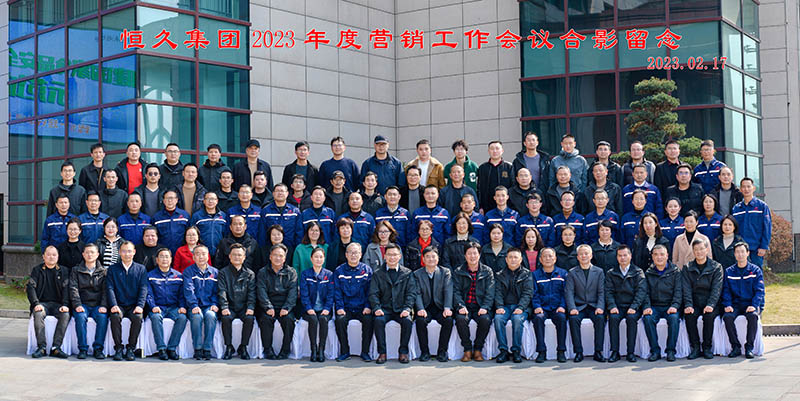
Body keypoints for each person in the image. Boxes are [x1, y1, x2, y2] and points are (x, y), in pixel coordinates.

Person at [369, 244, 417, 364]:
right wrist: (376, 308)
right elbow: (373, 293)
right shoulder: (377, 273)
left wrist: (407, 308)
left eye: (395, 255)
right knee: (378, 321)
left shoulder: (407, 273)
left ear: (400, 256)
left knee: (407, 321)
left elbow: (411, 293)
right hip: (384, 309)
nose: (392, 257)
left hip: (401, 309)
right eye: (389, 255)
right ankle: (382, 352)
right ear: (384, 256)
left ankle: (403, 352)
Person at [721, 242, 765, 359]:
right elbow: (726, 291)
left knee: (753, 316)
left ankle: (749, 347)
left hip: (749, 304)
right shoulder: (729, 271)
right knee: (727, 317)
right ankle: (735, 347)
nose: (740, 254)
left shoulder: (755, 271)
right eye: (737, 252)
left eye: (742, 252)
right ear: (734, 254)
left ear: (747, 253)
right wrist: (728, 304)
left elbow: (760, 291)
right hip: (735, 304)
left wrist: (754, 305)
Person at [453, 242, 495, 362]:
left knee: (485, 320)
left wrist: (485, 306)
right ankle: (467, 349)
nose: (472, 256)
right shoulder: (458, 271)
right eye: (469, 254)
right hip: (465, 306)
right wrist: (460, 306)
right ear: (465, 256)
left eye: (475, 253)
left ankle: (478, 349)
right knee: (460, 319)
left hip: (480, 306)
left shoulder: (487, 271)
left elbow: (490, 292)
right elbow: (456, 291)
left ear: (479, 255)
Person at [333, 243, 375, 362]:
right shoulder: (339, 271)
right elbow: (337, 291)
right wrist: (339, 307)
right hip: (346, 307)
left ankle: (365, 352)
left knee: (369, 320)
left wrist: (368, 306)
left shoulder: (367, 270)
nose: (353, 255)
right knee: (340, 320)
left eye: (356, 252)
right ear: (346, 254)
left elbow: (370, 291)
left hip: (362, 307)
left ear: (360, 254)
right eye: (350, 252)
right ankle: (344, 352)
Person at [683, 239, 724, 360]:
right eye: (696, 250)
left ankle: (707, 347)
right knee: (689, 315)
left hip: (711, 302)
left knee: (709, 316)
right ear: (693, 251)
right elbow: (686, 289)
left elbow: (716, 289)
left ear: (707, 250)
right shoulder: (687, 267)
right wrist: (688, 305)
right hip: (695, 302)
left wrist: (711, 304)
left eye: (701, 249)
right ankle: (695, 347)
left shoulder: (716, 267)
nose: (699, 252)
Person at [27, 246, 70, 359]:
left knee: (65, 314)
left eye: (54, 255)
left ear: (58, 257)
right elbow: (31, 288)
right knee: (38, 314)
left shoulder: (64, 271)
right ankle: (41, 347)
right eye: (48, 255)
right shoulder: (37, 270)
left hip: (58, 305)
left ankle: (56, 348)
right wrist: (36, 304)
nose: (51, 257)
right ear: (43, 256)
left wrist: (65, 304)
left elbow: (67, 289)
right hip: (42, 304)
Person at [106, 241, 148, 361]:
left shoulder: (141, 269)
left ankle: (131, 348)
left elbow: (143, 288)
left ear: (134, 252)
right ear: (119, 252)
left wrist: (140, 305)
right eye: (124, 251)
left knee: (138, 318)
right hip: (119, 305)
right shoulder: (112, 269)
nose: (127, 254)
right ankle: (118, 348)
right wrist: (114, 304)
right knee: (115, 316)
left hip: (134, 305)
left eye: (129, 251)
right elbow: (110, 288)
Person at [604, 245, 645, 363]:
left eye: (625, 255)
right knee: (613, 318)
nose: (622, 258)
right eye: (620, 256)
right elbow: (608, 292)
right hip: (617, 306)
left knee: (631, 319)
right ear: (617, 257)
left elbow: (641, 291)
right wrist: (612, 306)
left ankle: (630, 352)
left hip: (632, 306)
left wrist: (634, 307)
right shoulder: (611, 273)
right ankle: (615, 352)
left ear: (630, 256)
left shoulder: (638, 272)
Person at [565, 244, 606, 362]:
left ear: (591, 255)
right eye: (581, 254)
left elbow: (601, 292)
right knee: (573, 319)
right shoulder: (572, 272)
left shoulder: (599, 271)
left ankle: (598, 352)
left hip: (594, 306)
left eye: (586, 253)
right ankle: (578, 352)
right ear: (577, 257)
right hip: (579, 306)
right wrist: (572, 308)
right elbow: (569, 292)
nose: (584, 256)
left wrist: (600, 307)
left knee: (600, 318)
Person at [145, 248, 188, 361]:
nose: (164, 259)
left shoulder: (178, 276)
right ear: (157, 260)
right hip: (158, 307)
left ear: (171, 259)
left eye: (167, 257)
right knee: (155, 317)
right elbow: (148, 294)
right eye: (161, 257)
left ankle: (172, 348)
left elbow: (182, 295)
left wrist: (182, 306)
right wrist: (153, 306)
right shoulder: (150, 275)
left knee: (182, 318)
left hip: (173, 307)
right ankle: (161, 349)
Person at [256, 244, 298, 360]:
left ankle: (285, 350)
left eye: (281, 256)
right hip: (268, 305)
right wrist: (268, 307)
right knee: (265, 319)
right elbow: (261, 291)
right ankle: (268, 349)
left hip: (285, 306)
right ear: (270, 256)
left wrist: (287, 307)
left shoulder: (291, 272)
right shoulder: (262, 272)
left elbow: (293, 292)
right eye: (275, 255)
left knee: (289, 320)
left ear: (284, 258)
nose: (278, 258)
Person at [413, 247, 454, 362]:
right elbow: (417, 293)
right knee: (420, 320)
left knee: (448, 320)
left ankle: (442, 351)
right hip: (426, 307)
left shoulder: (445, 272)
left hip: (440, 307)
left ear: (438, 258)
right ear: (423, 259)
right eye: (427, 257)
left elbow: (448, 290)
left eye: (433, 256)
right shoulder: (417, 274)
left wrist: (447, 307)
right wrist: (420, 308)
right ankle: (424, 352)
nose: (431, 259)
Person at [642, 244, 682, 362]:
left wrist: (674, 306)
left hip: (670, 306)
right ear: (652, 257)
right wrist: (647, 306)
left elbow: (678, 291)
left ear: (667, 256)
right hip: (654, 306)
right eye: (656, 255)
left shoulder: (675, 271)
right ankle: (655, 351)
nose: (659, 257)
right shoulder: (648, 273)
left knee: (674, 318)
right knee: (647, 318)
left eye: (662, 254)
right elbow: (645, 293)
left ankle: (670, 351)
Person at [492, 248, 533, 364]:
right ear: (506, 259)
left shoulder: (527, 274)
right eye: (510, 257)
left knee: (517, 320)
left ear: (521, 259)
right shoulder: (499, 274)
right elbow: (497, 292)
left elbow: (528, 293)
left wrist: (520, 307)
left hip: (521, 307)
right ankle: (503, 351)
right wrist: (499, 306)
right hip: (505, 306)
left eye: (516, 257)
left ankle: (516, 351)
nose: (513, 260)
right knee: (498, 319)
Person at [218, 244, 257, 360]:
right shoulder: (223, 272)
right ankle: (229, 346)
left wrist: (250, 307)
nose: (237, 257)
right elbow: (222, 291)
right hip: (230, 306)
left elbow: (252, 293)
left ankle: (243, 347)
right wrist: (224, 307)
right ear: (229, 256)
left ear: (244, 257)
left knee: (249, 318)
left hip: (243, 306)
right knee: (225, 318)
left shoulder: (250, 274)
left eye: (239, 255)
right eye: (234, 254)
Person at [69, 243, 108, 360]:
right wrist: (77, 304)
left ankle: (98, 349)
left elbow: (106, 291)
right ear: (83, 254)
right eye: (87, 252)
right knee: (80, 316)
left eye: (92, 252)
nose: (89, 255)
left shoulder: (104, 271)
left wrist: (103, 305)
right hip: (83, 304)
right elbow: (73, 288)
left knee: (102, 317)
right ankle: (83, 349)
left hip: (97, 305)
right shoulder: (76, 270)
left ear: (97, 254)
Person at [531, 247, 569, 363]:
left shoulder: (563, 274)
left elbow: (566, 293)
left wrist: (562, 306)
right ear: (540, 260)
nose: (548, 259)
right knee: (538, 318)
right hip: (542, 308)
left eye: (550, 256)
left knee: (561, 318)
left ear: (555, 258)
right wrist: (537, 306)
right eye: (545, 256)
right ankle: (541, 351)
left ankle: (561, 351)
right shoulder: (535, 275)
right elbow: (534, 293)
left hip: (557, 308)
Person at [183, 244, 219, 360]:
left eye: (203, 254)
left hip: (209, 305)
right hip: (194, 306)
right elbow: (189, 290)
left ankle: (207, 349)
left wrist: (214, 304)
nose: (201, 257)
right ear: (193, 257)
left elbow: (217, 291)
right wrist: (193, 305)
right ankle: (198, 349)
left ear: (208, 256)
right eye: (197, 254)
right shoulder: (188, 271)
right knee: (197, 317)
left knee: (211, 315)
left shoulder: (215, 272)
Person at [299, 247, 334, 362]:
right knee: (313, 319)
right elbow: (304, 294)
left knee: (323, 319)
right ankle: (313, 350)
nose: (318, 259)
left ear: (324, 259)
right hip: (309, 309)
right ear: (311, 258)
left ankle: (321, 349)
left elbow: (331, 294)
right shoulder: (305, 274)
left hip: (324, 309)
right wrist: (308, 308)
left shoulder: (329, 274)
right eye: (316, 257)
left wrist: (327, 308)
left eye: (321, 257)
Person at [732, 177, 772, 267]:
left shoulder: (762, 206)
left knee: (756, 273)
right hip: (740, 249)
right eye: (743, 187)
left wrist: (763, 246)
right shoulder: (736, 209)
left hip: (756, 249)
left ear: (753, 188)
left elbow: (767, 227)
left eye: (748, 186)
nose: (746, 189)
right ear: (740, 189)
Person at [259, 183, 302, 249]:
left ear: (287, 193)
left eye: (282, 191)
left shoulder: (295, 211)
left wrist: (297, 249)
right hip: (271, 248)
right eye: (277, 191)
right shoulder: (266, 211)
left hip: (290, 248)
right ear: (273, 194)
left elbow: (299, 232)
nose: (280, 193)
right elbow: (262, 233)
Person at [478, 141, 514, 212]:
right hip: (487, 207)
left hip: (506, 207)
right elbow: (479, 188)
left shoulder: (509, 167)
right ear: (488, 151)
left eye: (497, 148)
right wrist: (480, 206)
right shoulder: (482, 168)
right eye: (492, 149)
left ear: (502, 151)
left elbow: (513, 187)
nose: (494, 151)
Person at [190, 191, 228, 258]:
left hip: (220, 252)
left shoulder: (223, 216)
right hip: (202, 253)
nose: (210, 201)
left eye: (213, 199)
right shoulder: (197, 216)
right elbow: (192, 233)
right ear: (204, 201)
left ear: (217, 201)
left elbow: (226, 234)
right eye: (207, 199)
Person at [151, 190, 190, 254]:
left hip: (181, 252)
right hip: (163, 252)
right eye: (167, 198)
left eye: (172, 198)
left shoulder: (185, 216)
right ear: (163, 201)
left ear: (176, 200)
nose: (169, 200)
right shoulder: (157, 217)